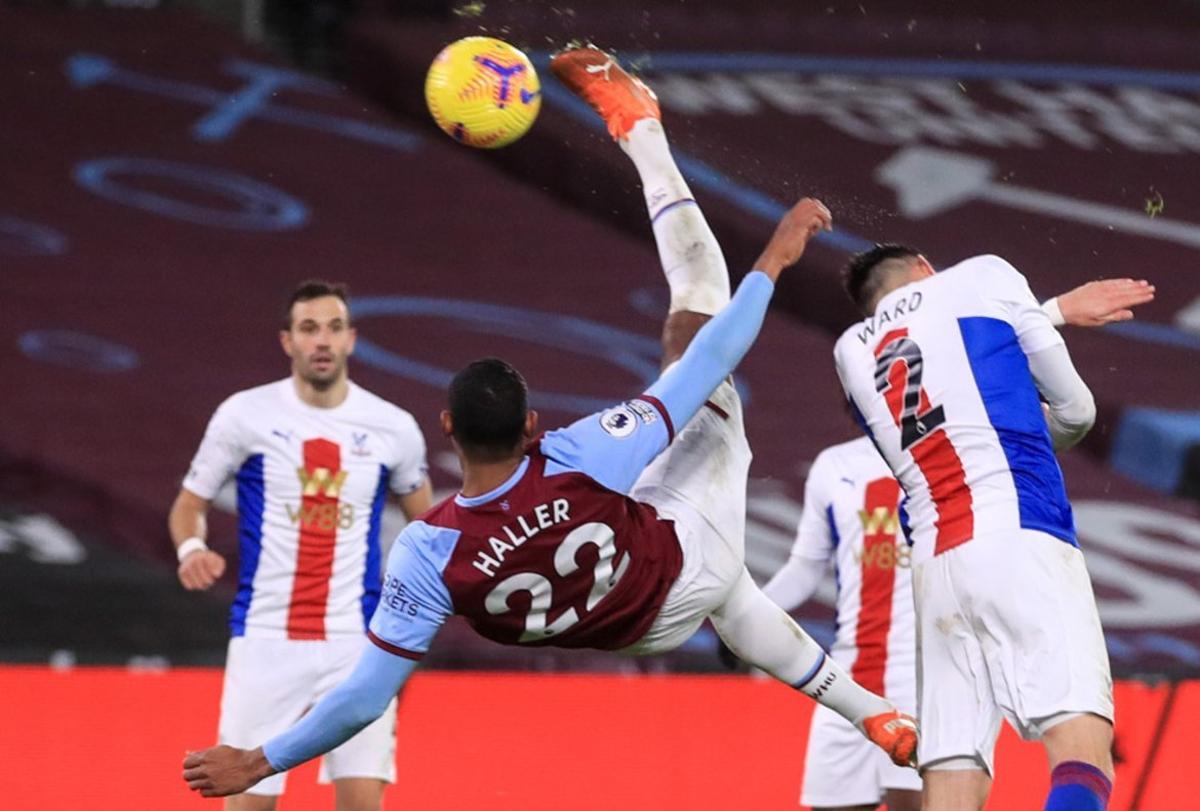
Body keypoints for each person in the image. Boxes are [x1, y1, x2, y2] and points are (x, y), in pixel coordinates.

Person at [182, 46, 918, 799]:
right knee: (695, 324)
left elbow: (364, 697)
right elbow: (714, 354)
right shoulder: (576, 455)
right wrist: (776, 257)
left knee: (734, 600)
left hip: (638, 631)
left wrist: (262, 758)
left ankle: (874, 715)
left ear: (445, 427)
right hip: (679, 559)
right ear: (532, 423)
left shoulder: (427, 553)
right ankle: (642, 132)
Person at [757, 278, 1153, 811]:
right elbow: (1073, 408)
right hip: (986, 564)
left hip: (928, 623)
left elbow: (944, 346)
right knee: (1079, 751)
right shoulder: (849, 464)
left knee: (948, 789)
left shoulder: (901, 411)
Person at [169, 280, 434, 811]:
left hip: (358, 646)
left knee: (361, 805)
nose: (322, 341)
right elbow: (188, 504)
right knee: (246, 802)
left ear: (352, 340)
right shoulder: (244, 415)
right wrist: (192, 549)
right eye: (309, 329)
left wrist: (405, 634)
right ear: (287, 341)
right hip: (266, 639)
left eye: (334, 328)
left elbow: (428, 530)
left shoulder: (393, 427)